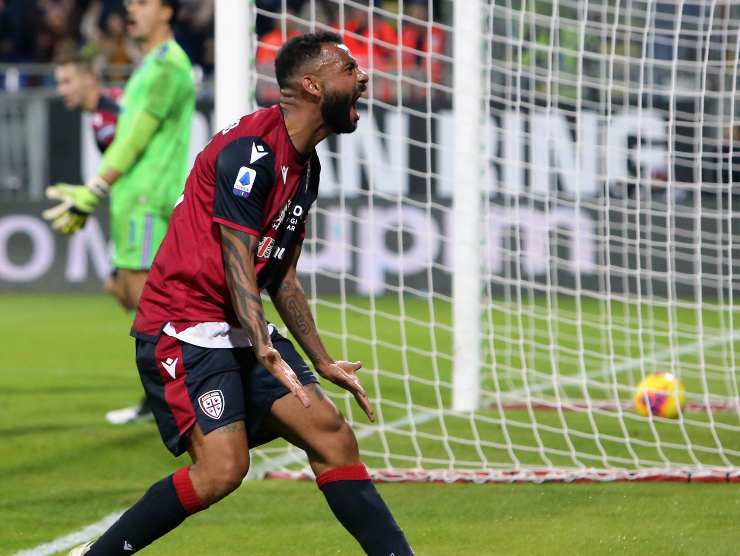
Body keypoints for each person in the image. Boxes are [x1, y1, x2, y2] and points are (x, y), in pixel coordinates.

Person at [68, 31, 413, 556]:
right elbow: (236, 259)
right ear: (313, 85)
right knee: (223, 470)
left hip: (237, 325)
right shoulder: (250, 152)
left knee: (332, 436)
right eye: (350, 69)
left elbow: (282, 275)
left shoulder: (307, 167)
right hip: (182, 327)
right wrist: (264, 347)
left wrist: (320, 361)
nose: (363, 77)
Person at [43, 0, 195, 426]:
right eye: (129, 2)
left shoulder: (166, 66)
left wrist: (95, 187)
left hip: (146, 199)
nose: (131, 9)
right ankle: (175, 398)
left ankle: (185, 402)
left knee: (151, 310)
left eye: (143, 2)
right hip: (132, 199)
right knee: (132, 296)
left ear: (166, 11)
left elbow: (133, 140)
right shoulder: (148, 66)